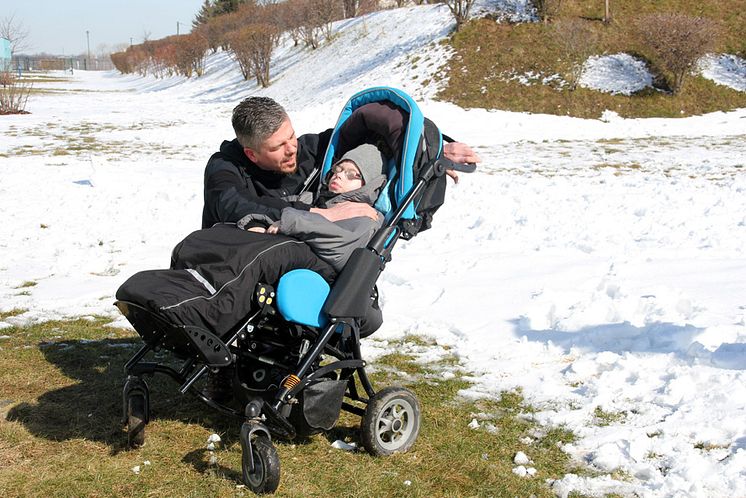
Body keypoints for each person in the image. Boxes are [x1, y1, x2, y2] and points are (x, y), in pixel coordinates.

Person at [202, 96, 481, 230]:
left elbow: (374, 139)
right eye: (278, 147)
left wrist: (435, 150)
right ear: (252, 154)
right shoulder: (225, 167)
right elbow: (231, 204)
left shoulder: (311, 149)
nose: (292, 150)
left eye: (291, 136)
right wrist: (319, 213)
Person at [241, 143, 388, 272]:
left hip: (312, 276)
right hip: (277, 259)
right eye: (338, 169)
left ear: (369, 185)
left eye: (351, 174)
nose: (339, 176)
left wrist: (291, 222)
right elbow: (267, 206)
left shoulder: (367, 215)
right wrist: (255, 223)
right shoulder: (308, 198)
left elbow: (339, 249)